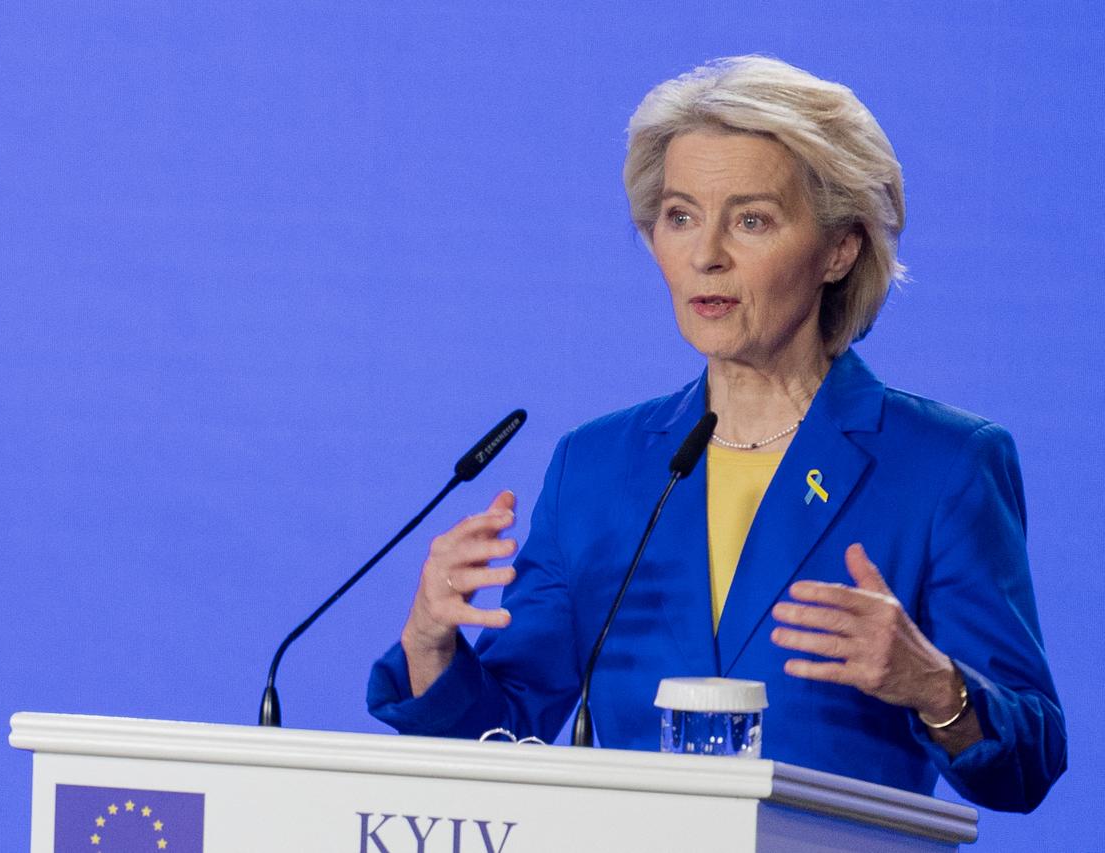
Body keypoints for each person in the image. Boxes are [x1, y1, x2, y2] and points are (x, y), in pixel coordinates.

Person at [367, 56, 1066, 813]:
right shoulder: (597, 468)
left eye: (752, 218)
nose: (707, 254)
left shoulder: (944, 466)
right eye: (680, 216)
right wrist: (431, 644)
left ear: (839, 248)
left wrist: (935, 686)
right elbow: (506, 738)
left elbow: (1027, 765)